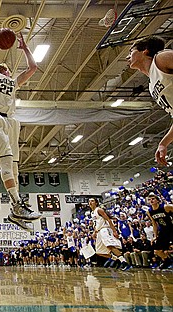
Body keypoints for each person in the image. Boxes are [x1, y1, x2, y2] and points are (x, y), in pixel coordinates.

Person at [0, 32, 41, 231]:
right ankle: (18, 202)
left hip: (11, 122)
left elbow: (33, 68)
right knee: (5, 161)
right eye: (4, 69)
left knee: (14, 168)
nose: (7, 70)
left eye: (7, 69)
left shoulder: (13, 83)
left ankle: (15, 211)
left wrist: (26, 49)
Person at [126, 36, 173, 166]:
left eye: (131, 51)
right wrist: (163, 143)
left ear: (145, 51)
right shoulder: (152, 86)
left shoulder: (161, 59)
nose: (127, 57)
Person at [88, 198, 130, 271]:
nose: (90, 202)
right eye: (89, 201)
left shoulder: (99, 210)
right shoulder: (92, 213)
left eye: (92, 201)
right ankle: (116, 258)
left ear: (96, 203)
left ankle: (124, 262)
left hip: (105, 230)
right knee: (98, 252)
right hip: (99, 231)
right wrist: (94, 232)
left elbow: (108, 220)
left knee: (110, 246)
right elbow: (97, 223)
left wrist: (114, 231)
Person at [146, 192, 172, 270]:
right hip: (163, 231)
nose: (151, 200)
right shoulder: (149, 212)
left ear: (158, 200)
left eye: (153, 199)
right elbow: (154, 224)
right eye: (149, 199)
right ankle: (167, 261)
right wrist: (155, 236)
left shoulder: (166, 207)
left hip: (171, 229)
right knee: (157, 251)